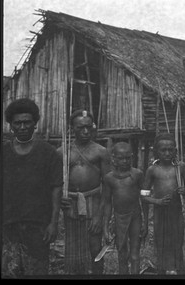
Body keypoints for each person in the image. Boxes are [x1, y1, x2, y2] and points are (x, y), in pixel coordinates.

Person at [2, 98, 63, 276]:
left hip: (38, 227)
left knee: (36, 271)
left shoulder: (48, 153)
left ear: (35, 124)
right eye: (17, 123)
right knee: (9, 271)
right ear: (10, 126)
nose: (22, 127)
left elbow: (56, 189)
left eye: (27, 122)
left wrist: (53, 223)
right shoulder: (4, 152)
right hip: (8, 225)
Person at [59, 109, 111, 275]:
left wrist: (99, 216)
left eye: (89, 127)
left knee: (94, 244)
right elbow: (55, 182)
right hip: (71, 202)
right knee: (73, 245)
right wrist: (61, 197)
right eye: (81, 127)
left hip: (93, 200)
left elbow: (108, 185)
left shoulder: (100, 151)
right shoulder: (62, 152)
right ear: (71, 128)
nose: (86, 131)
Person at [142, 133, 185, 275]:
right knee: (162, 243)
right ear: (156, 151)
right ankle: (162, 271)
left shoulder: (180, 167)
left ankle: (179, 270)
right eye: (163, 150)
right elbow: (143, 195)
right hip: (160, 214)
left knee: (177, 243)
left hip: (176, 213)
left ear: (175, 151)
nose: (167, 153)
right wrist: (157, 201)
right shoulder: (152, 170)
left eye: (171, 150)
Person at [102, 142, 145, 274]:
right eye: (121, 158)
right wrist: (105, 226)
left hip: (135, 217)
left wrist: (146, 223)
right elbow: (108, 203)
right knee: (122, 253)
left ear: (132, 157)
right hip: (119, 218)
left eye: (128, 158)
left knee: (134, 255)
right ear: (113, 158)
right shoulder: (109, 178)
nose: (125, 161)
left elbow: (144, 199)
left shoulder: (137, 174)